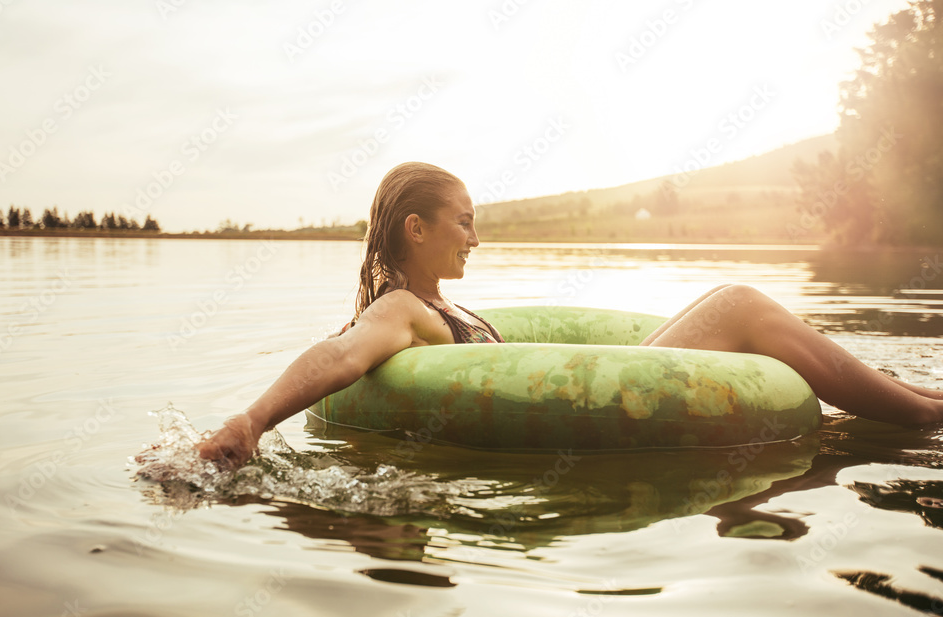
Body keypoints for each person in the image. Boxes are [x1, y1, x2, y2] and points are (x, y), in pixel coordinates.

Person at [197, 162, 943, 467]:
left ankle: (922, 402)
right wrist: (253, 420)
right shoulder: (399, 308)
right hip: (601, 406)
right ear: (415, 229)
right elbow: (341, 355)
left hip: (614, 386)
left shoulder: (434, 304)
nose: (477, 235)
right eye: (463, 221)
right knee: (738, 304)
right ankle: (922, 417)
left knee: (728, 307)